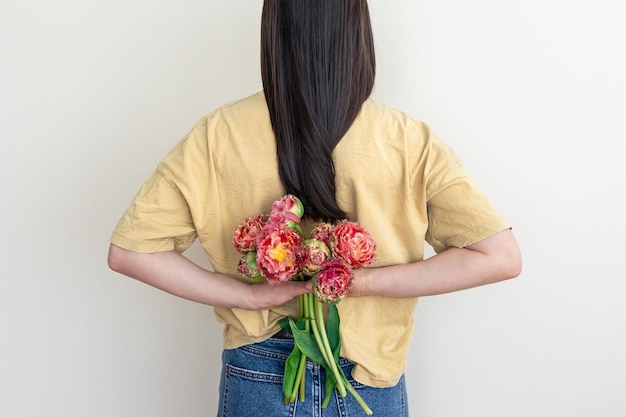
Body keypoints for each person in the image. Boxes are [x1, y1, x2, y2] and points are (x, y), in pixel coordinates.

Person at [107, 1, 522, 416]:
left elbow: (131, 251)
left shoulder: (217, 135)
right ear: (356, 34)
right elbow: (499, 257)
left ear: (274, 32)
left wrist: (249, 297)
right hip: (368, 379)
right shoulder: (407, 140)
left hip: (258, 371)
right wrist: (360, 284)